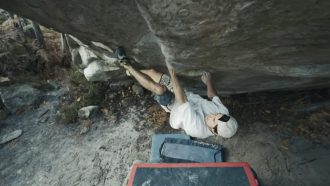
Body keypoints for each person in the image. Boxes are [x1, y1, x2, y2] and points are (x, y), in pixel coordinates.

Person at [116, 47, 238, 139]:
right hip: (186, 96)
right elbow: (213, 97)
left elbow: (181, 99)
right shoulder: (224, 113)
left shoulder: (197, 129)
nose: (212, 116)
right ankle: (131, 73)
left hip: (175, 105)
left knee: (159, 89)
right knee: (152, 72)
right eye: (215, 114)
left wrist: (171, 71)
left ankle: (127, 65)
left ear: (214, 131)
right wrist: (208, 82)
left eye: (213, 120)